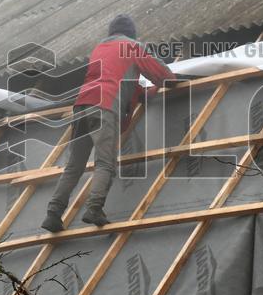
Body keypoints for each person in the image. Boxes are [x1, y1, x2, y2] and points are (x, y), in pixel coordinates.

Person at [42, 15, 173, 232]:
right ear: (132, 33)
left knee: (74, 165)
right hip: (104, 105)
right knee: (105, 162)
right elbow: (163, 73)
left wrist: (148, 91)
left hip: (82, 104)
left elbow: (122, 82)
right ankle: (94, 208)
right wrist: (166, 80)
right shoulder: (132, 46)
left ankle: (53, 214)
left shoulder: (100, 48)